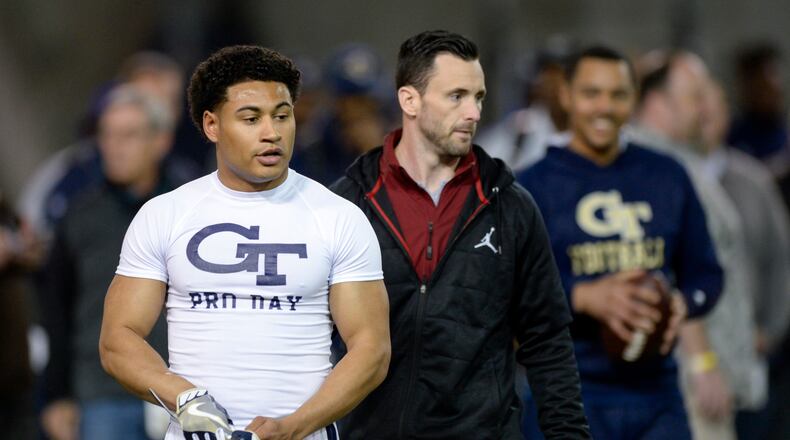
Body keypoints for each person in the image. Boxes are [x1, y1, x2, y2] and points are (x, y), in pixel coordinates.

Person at [98, 45, 390, 440]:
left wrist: (293, 427)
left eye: (282, 116)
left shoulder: (339, 217)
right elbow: (118, 339)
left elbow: (372, 351)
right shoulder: (165, 214)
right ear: (212, 125)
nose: (272, 133)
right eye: (251, 118)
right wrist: (183, 398)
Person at [331, 30, 590, 439]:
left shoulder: (510, 205)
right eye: (457, 96)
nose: (473, 112)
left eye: (479, 97)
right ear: (409, 101)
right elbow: (311, 334)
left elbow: (547, 341)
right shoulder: (347, 204)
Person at [518, 46, 724, 440]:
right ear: (566, 96)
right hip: (564, 391)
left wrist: (681, 303)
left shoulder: (667, 175)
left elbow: (707, 274)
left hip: (657, 394)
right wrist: (582, 296)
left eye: (618, 95)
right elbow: (506, 292)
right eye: (591, 93)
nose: (604, 107)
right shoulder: (530, 186)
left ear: (634, 99)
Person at [39, 85, 181, 440]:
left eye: (129, 135)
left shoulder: (190, 210)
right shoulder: (79, 217)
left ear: (161, 141)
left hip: (182, 387)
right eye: (107, 135)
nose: (115, 147)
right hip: (103, 392)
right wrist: (56, 396)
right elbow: (57, 311)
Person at [632, 50, 760, 440]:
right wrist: (702, 360)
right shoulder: (652, 166)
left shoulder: (678, 161)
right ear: (658, 103)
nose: (704, 109)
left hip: (701, 368)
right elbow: (667, 267)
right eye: (693, 97)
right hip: (686, 377)